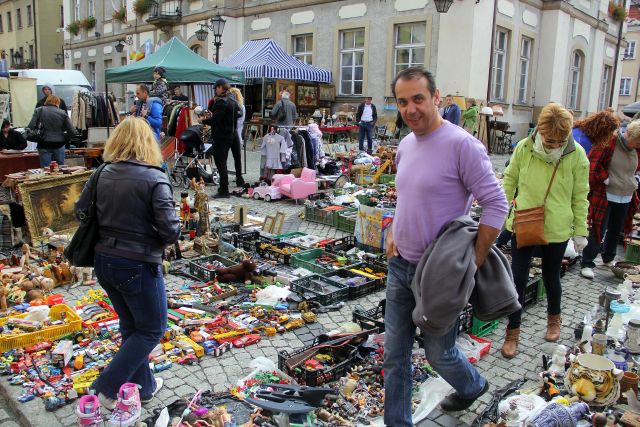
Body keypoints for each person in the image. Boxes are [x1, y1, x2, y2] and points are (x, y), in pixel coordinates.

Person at [384, 66, 508, 424]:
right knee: (395, 355)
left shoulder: (462, 145)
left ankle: (471, 386)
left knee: (439, 353)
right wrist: (393, 227)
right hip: (401, 266)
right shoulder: (406, 145)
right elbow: (406, 196)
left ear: (437, 98)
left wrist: (474, 259)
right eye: (403, 101)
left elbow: (496, 204)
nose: (411, 109)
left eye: (419, 99)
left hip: (439, 273)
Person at [76, 117, 180, 420]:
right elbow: (170, 230)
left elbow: (80, 210)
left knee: (133, 327)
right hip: (138, 263)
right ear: (149, 143)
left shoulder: (101, 173)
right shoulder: (155, 177)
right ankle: (103, 389)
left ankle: (143, 387)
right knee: (151, 328)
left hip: (104, 261)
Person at [500, 103, 589, 358]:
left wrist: (580, 230)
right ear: (539, 131)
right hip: (525, 223)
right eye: (548, 140)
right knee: (517, 279)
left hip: (557, 227)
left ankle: (554, 319)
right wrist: (499, 212)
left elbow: (580, 195)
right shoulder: (524, 148)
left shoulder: (577, 155)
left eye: (558, 142)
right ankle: (512, 332)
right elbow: (509, 180)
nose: (552, 145)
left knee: (551, 277)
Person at [580, 121, 640, 279]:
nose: (638, 145)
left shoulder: (637, 149)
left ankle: (608, 258)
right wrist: (605, 179)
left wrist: (636, 179)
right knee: (598, 227)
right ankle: (587, 262)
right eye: (638, 141)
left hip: (626, 194)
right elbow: (591, 165)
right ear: (630, 135)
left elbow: (636, 167)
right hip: (606, 194)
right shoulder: (609, 142)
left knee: (617, 228)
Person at [201, 78, 237, 198]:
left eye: (216, 88)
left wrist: (203, 120)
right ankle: (223, 188)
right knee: (223, 163)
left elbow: (216, 120)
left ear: (221, 87)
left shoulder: (222, 101)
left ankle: (223, 190)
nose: (215, 90)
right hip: (230, 134)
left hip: (221, 136)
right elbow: (240, 113)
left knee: (221, 163)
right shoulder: (232, 99)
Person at [28, 95, 74, 167]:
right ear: (57, 102)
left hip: (43, 143)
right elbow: (71, 130)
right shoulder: (63, 113)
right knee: (60, 168)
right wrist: (66, 140)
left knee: (45, 169)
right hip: (59, 144)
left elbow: (31, 126)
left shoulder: (39, 110)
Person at [228, 87, 246, 187]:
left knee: (236, 157)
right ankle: (238, 176)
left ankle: (238, 176)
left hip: (235, 132)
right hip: (238, 132)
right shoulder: (241, 106)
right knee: (237, 157)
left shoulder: (238, 106)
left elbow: (238, 120)